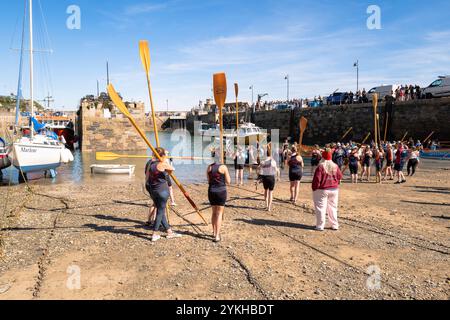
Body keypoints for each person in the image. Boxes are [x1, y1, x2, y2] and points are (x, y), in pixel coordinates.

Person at [145, 148, 182, 242]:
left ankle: (169, 232)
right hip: (162, 191)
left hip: (153, 190)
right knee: (160, 212)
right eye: (164, 155)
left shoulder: (151, 164)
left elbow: (147, 177)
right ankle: (154, 234)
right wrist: (165, 163)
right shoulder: (162, 164)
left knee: (161, 212)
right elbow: (172, 168)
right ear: (162, 156)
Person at [312, 149, 343, 231]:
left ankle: (320, 225)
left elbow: (317, 179)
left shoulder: (321, 166)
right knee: (333, 207)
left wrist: (314, 188)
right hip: (334, 189)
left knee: (321, 208)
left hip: (322, 189)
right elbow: (340, 176)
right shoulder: (335, 165)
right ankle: (334, 224)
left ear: (323, 156)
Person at [207, 153, 231, 242]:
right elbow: (228, 181)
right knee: (219, 213)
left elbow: (209, 181)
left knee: (213, 212)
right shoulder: (223, 167)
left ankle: (213, 232)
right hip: (221, 191)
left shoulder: (209, 167)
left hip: (211, 191)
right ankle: (217, 235)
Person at [259, 147, 278, 211]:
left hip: (265, 177)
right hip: (271, 177)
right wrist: (278, 177)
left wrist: (259, 177)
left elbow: (259, 169)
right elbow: (276, 170)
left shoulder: (262, 161)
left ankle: (266, 205)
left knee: (265, 191)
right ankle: (269, 207)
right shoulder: (273, 161)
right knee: (271, 192)